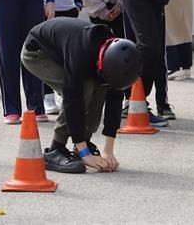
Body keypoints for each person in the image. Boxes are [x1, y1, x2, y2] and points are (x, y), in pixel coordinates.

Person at [21, 17, 142, 173]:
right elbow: (73, 99)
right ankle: (55, 150)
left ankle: (83, 143)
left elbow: (115, 98)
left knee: (100, 86)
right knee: (84, 89)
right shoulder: (81, 54)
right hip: (38, 52)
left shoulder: (115, 54)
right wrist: (86, 155)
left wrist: (108, 151)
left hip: (64, 48)